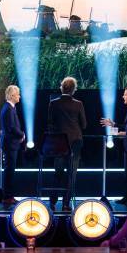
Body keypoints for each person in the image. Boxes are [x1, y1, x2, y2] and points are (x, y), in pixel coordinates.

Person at [47, 76, 87, 211]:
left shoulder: (53, 103)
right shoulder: (78, 104)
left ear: (62, 87)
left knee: (58, 172)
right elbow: (84, 124)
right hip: (75, 142)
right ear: (73, 90)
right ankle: (65, 204)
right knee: (71, 174)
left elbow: (50, 123)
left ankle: (52, 202)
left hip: (59, 143)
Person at [0, 85, 24, 206]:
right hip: (10, 144)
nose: (19, 96)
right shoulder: (8, 109)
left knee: (10, 170)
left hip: (11, 144)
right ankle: (7, 196)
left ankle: (9, 195)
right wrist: (22, 135)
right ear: (12, 95)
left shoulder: (10, 108)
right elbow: (12, 128)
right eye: (18, 94)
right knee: (9, 171)